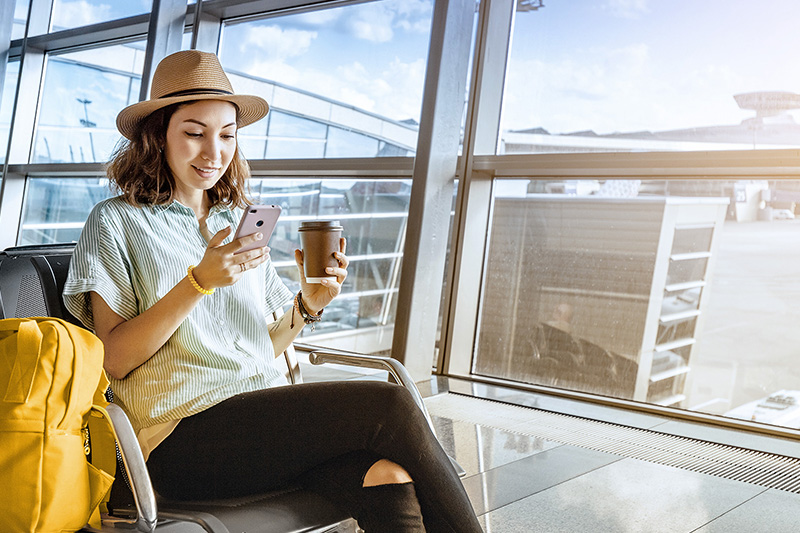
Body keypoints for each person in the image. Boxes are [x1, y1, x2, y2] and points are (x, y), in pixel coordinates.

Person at [63, 50, 481, 533]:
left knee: (387, 477)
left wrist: (308, 305)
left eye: (226, 136)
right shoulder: (115, 221)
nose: (213, 152)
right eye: (194, 133)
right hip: (177, 440)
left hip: (258, 427)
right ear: (158, 135)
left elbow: (263, 344)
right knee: (388, 407)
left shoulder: (234, 224)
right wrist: (197, 283)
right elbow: (113, 359)